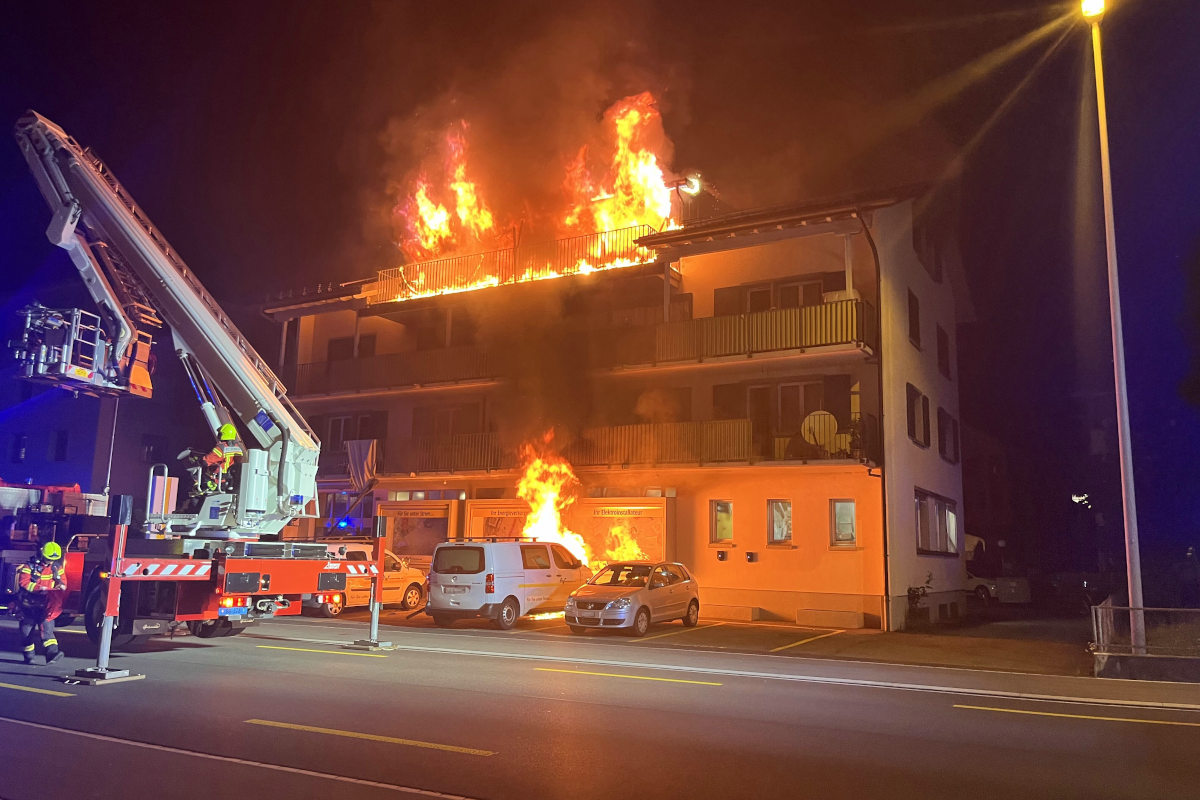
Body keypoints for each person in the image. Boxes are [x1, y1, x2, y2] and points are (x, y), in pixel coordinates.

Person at [16, 541, 67, 666]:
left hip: (46, 606)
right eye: (48, 559)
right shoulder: (29, 567)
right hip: (29, 605)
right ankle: (29, 655)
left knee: (47, 630)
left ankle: (52, 654)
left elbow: (63, 581)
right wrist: (39, 588)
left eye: (52, 559)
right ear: (42, 555)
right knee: (26, 632)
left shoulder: (56, 567)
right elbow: (24, 582)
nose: (50, 562)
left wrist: (62, 585)